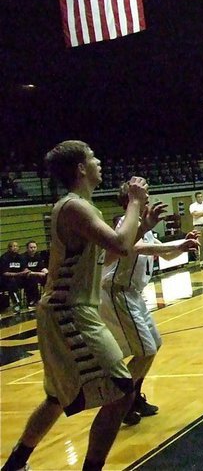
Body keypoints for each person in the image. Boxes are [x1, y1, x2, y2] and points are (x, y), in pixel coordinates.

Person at [1, 140, 152, 471]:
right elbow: (119, 244)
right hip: (69, 311)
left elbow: (109, 255)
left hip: (62, 310)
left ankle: (15, 463)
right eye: (93, 157)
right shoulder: (74, 207)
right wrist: (134, 204)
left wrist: (142, 227)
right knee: (122, 391)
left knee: (56, 398)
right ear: (81, 168)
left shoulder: (80, 208)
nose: (99, 161)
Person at [100, 182, 200, 426]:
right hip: (117, 292)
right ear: (130, 200)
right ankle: (118, 400)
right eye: (144, 195)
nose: (148, 198)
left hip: (134, 293)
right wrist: (174, 245)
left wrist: (181, 245)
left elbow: (162, 254)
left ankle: (132, 397)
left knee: (154, 344)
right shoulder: (124, 224)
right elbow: (136, 248)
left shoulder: (146, 227)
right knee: (145, 350)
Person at [21, 240, 48, 308]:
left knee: (48, 278)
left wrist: (47, 272)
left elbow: (42, 267)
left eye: (34, 247)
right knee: (32, 279)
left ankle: (47, 297)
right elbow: (26, 271)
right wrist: (38, 273)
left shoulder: (38, 256)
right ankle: (33, 300)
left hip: (37, 275)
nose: (33, 249)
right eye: (31, 247)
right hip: (25, 277)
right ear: (27, 248)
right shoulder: (23, 257)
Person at [1, 241, 26, 312]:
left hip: (19, 278)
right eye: (13, 246)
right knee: (12, 282)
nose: (15, 248)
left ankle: (33, 300)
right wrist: (19, 274)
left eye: (16, 246)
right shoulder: (4, 258)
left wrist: (26, 271)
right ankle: (17, 304)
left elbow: (24, 268)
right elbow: (5, 273)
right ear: (9, 248)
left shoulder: (20, 257)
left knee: (31, 279)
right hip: (6, 280)